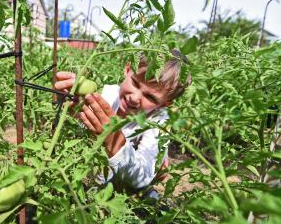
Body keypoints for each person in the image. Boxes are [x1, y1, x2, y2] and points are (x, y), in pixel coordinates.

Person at [54, 51, 190, 193]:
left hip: (119, 184)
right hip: (88, 178)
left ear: (165, 104)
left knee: (152, 189)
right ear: (127, 70)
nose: (134, 97)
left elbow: (143, 175)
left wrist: (116, 143)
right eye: (135, 83)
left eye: (150, 97)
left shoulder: (158, 120)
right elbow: (78, 131)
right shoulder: (106, 94)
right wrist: (73, 108)